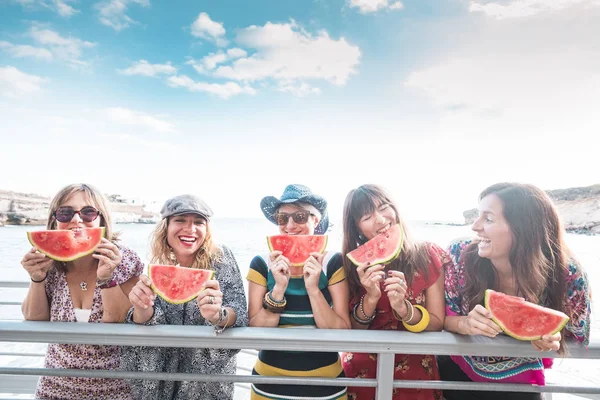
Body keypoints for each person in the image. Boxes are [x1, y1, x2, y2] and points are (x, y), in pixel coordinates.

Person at [440, 182, 592, 400]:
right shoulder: (459, 255)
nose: (475, 226)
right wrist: (464, 323)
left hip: (522, 384)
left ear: (524, 228)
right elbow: (441, 319)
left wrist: (553, 338)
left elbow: (576, 335)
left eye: (488, 219)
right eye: (478, 216)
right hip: (455, 375)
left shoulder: (568, 275)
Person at [20, 183, 144, 400]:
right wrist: (37, 278)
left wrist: (107, 277)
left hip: (115, 390)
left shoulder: (125, 260)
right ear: (55, 221)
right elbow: (34, 318)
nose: (77, 220)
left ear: (101, 219)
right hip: (55, 387)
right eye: (65, 213)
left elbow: (116, 321)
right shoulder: (50, 262)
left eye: (88, 213)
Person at [121, 194, 248, 400]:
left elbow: (239, 312)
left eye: (198, 222)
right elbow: (148, 320)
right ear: (166, 226)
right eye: (180, 220)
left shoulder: (221, 259)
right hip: (161, 379)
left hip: (206, 383)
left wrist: (218, 315)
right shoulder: (157, 264)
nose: (190, 229)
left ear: (207, 230)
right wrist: (141, 307)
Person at [340, 184, 448, 400]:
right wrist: (370, 299)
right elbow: (352, 328)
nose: (380, 219)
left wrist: (404, 309)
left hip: (416, 375)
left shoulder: (427, 255)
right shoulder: (351, 263)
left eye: (384, 207)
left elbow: (437, 322)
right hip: (362, 375)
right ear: (356, 227)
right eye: (367, 216)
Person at [247, 184, 351, 400]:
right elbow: (255, 337)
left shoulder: (332, 263)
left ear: (316, 219)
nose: (290, 225)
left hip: (327, 388)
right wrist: (278, 290)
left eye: (300, 216)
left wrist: (313, 289)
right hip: (268, 385)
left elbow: (342, 331)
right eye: (282, 218)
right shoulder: (261, 264)